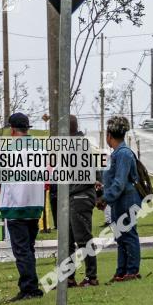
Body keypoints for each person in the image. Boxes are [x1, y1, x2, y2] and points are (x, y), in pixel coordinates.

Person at [0, 113, 45, 300]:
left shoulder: (10, 150)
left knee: (21, 250)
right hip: (35, 205)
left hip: (16, 207)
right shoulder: (41, 148)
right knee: (29, 248)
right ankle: (30, 285)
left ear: (12, 130)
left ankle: (29, 288)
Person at [100, 115, 142, 282]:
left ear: (109, 135)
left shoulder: (123, 153)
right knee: (121, 236)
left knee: (129, 235)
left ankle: (132, 271)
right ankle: (121, 271)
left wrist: (105, 198)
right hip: (120, 200)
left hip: (127, 199)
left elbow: (120, 182)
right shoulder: (117, 153)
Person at [61, 115, 99, 286]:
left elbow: (87, 177)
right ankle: (69, 278)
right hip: (73, 197)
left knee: (83, 239)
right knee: (67, 240)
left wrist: (68, 190)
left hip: (79, 197)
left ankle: (92, 277)